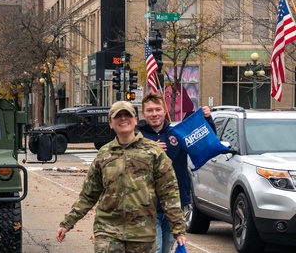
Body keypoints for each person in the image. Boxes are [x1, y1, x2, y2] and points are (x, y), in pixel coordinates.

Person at [56, 101, 187, 252]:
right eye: (118, 116)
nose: (123, 119)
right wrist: (67, 223)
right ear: (110, 123)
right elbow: (88, 195)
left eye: (128, 115)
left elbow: (169, 193)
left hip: (142, 233)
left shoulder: (153, 152)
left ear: (136, 120)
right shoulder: (104, 154)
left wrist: (178, 229)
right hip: (108, 232)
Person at [138, 91, 215, 253]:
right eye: (150, 110)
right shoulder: (137, 136)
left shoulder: (177, 133)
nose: (154, 114)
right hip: (148, 204)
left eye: (158, 109)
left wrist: (207, 118)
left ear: (164, 111)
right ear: (143, 112)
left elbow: (206, 141)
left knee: (166, 248)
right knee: (155, 249)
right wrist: (149, 150)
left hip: (176, 203)